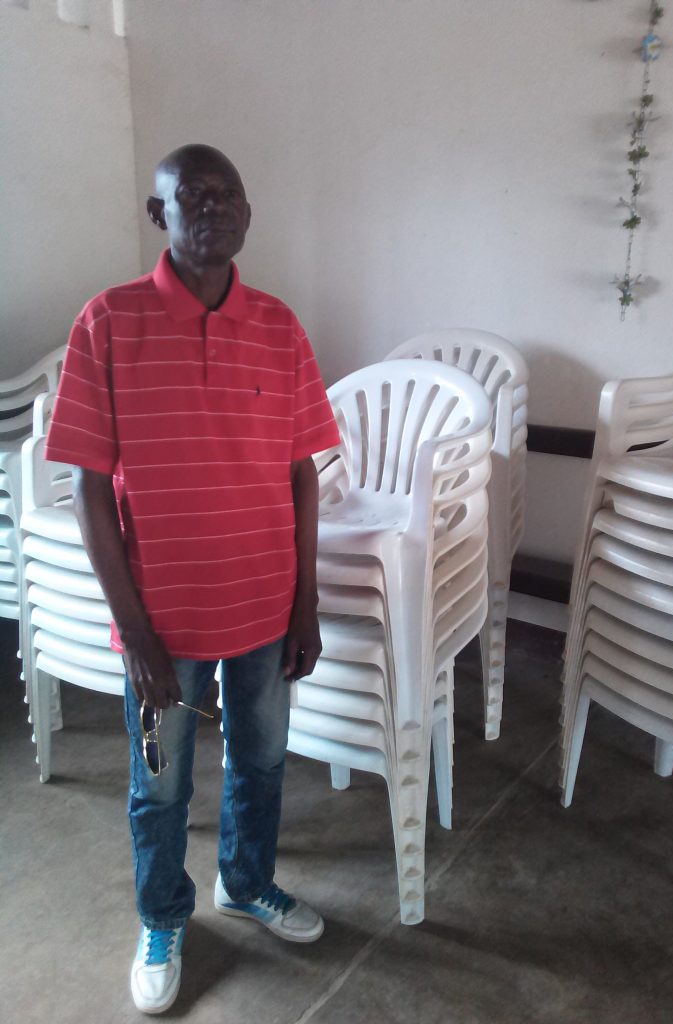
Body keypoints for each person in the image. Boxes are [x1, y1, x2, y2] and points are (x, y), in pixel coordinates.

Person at [45, 144, 341, 1015]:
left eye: (228, 195)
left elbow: (301, 473)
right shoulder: (108, 322)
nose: (213, 208)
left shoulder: (279, 327)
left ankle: (246, 883)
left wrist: (305, 602)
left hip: (264, 607)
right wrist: (134, 632)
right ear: (158, 214)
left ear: (249, 212)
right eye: (193, 195)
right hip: (162, 623)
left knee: (263, 762)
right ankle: (163, 916)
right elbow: (89, 491)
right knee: (161, 786)